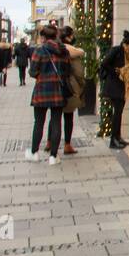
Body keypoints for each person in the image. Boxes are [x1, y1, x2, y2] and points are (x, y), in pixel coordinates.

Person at [28, 25, 69, 165]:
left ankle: (34, 153)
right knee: (56, 121)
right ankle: (53, 156)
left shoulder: (40, 50)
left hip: (42, 90)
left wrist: (42, 75)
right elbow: (67, 71)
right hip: (58, 91)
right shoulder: (63, 51)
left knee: (39, 122)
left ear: (44, 37)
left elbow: (32, 71)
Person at [99, 31, 129, 149]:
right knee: (117, 113)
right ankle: (113, 140)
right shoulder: (117, 51)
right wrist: (116, 71)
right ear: (128, 44)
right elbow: (104, 63)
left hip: (123, 86)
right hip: (114, 86)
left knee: (119, 112)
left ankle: (118, 137)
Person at [60, 26, 85, 155]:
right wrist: (81, 84)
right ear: (68, 37)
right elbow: (79, 72)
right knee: (68, 116)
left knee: (55, 117)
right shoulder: (72, 51)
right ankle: (67, 144)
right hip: (68, 85)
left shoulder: (52, 49)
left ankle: (49, 143)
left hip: (53, 87)